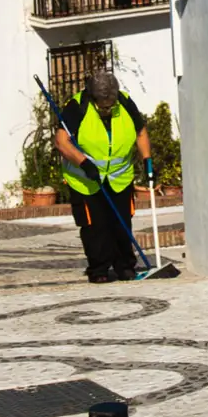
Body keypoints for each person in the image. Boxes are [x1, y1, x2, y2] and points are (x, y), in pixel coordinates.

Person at [54, 66, 149, 283]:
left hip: (119, 178)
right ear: (93, 97)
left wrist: (148, 160)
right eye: (102, 106)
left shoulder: (124, 102)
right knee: (95, 226)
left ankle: (125, 266)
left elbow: (140, 132)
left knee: (121, 222)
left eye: (110, 105)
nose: (107, 109)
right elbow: (61, 141)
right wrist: (84, 163)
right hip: (85, 180)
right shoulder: (77, 106)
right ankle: (99, 269)